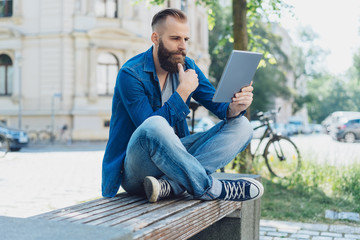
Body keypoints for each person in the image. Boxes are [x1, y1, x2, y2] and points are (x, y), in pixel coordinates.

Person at [102, 8, 263, 203]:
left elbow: (219, 107)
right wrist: (182, 92)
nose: (182, 46)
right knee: (155, 125)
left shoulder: (188, 67)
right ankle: (212, 188)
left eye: (186, 39)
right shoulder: (131, 74)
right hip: (136, 170)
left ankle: (172, 186)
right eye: (175, 39)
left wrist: (235, 107)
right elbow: (148, 131)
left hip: (176, 163)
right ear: (155, 38)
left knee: (242, 126)